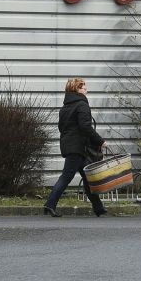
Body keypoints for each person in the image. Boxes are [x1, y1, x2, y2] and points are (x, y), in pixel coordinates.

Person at [43, 77, 108, 217]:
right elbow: (85, 127)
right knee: (66, 177)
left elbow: (61, 127)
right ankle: (49, 204)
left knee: (87, 178)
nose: (86, 90)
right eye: (84, 87)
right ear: (76, 89)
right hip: (77, 148)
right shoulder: (82, 104)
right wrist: (100, 141)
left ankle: (98, 208)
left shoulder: (65, 107)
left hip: (71, 146)